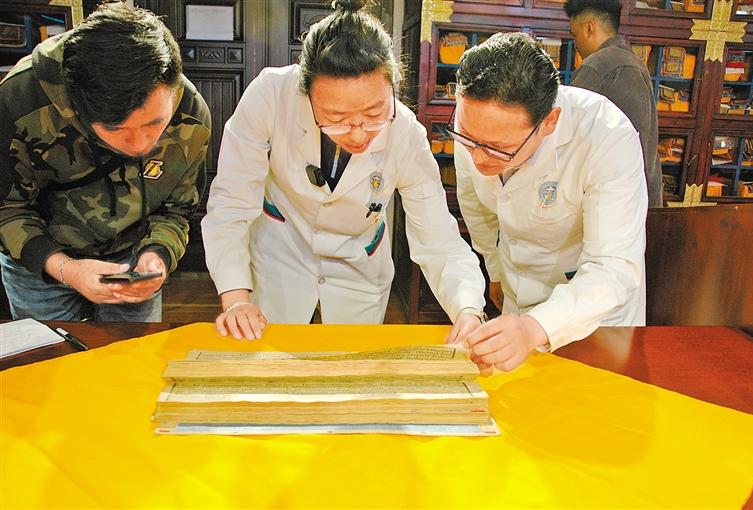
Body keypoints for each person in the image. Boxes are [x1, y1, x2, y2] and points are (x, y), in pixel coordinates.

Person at [202, 0, 485, 341]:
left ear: (392, 86)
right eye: (335, 118)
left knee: (349, 360)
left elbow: (438, 237)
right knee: (272, 360)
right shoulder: (271, 96)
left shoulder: (406, 133)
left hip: (358, 267)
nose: (358, 134)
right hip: (280, 256)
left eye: (374, 113)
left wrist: (468, 308)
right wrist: (235, 298)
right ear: (305, 93)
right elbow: (231, 201)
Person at [0, 3, 211, 322]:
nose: (141, 145)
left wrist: (157, 255)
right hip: (38, 260)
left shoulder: (190, 113)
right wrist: (66, 268)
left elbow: (177, 209)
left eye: (155, 124)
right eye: (117, 129)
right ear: (79, 107)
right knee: (52, 352)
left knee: (131, 351)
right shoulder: (20, 100)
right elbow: (7, 209)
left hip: (130, 262)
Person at [450, 32, 647, 371]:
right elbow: (475, 204)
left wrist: (533, 328)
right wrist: (495, 270)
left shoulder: (606, 135)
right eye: (468, 140)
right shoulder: (476, 122)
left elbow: (612, 266)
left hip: (594, 317)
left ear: (550, 122)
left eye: (498, 149)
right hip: (517, 303)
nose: (478, 159)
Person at [565, 0, 663, 207]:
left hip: (615, 197)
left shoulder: (598, 66)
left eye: (574, 34)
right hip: (641, 192)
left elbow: (564, 131)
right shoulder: (633, 61)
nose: (576, 44)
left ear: (589, 27)